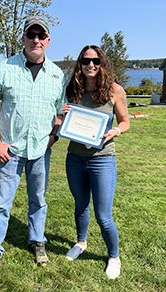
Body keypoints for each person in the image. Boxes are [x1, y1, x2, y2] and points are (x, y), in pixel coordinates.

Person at [0, 16, 66, 275]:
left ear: (48, 41)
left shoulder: (57, 75)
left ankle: (38, 241)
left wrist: (53, 137)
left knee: (38, 200)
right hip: (10, 151)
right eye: (31, 35)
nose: (36, 40)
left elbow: (60, 112)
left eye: (41, 36)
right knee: (1, 203)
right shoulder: (5, 68)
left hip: (40, 150)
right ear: (24, 38)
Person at [62, 45, 130, 279]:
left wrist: (115, 132)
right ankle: (81, 243)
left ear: (103, 64)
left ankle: (114, 257)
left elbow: (125, 122)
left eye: (96, 61)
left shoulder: (114, 90)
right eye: (86, 60)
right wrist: (61, 114)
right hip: (74, 158)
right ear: (79, 64)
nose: (91, 65)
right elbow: (61, 122)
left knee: (104, 215)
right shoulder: (72, 89)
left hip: (102, 160)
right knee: (80, 205)